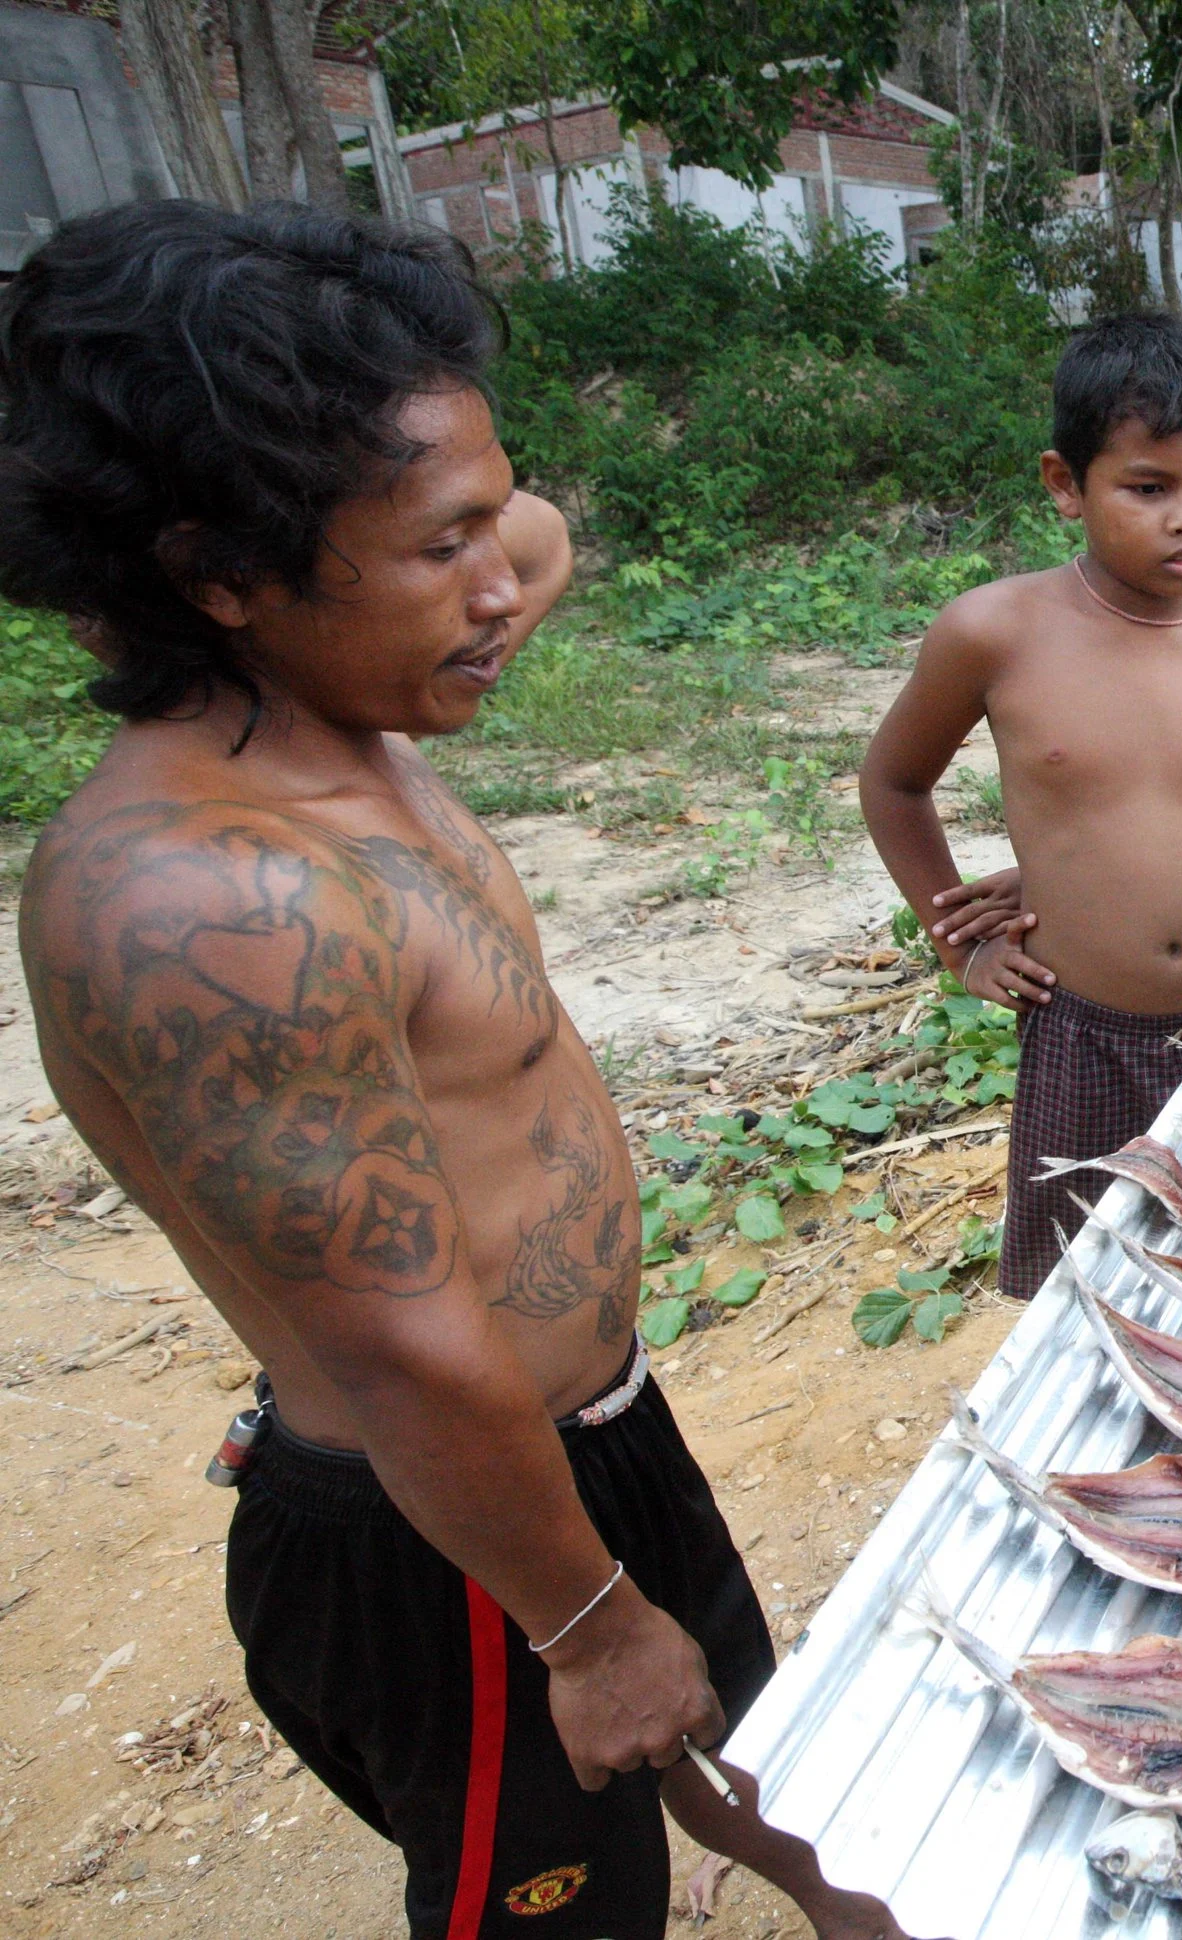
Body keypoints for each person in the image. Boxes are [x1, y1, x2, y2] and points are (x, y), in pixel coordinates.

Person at [4, 202, 913, 1940]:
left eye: (496, 513)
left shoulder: (347, 700)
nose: (509, 583)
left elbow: (521, 534)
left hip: (597, 1436)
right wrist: (582, 1622)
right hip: (462, 1546)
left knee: (766, 1755)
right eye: (443, 548)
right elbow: (403, 1353)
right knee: (567, 1908)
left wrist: (462, 523)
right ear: (221, 572)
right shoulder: (207, 894)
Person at [859, 312, 1182, 1299]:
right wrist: (960, 941)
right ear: (1068, 484)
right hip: (1084, 1029)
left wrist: (1111, 872)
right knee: (1084, 1289)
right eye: (1147, 488)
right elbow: (892, 783)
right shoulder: (994, 631)